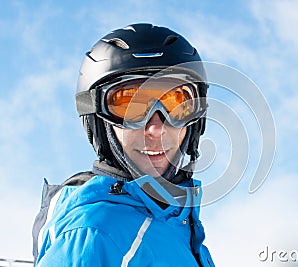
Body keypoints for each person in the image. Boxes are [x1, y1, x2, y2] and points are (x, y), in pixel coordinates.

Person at [32, 23, 214, 267]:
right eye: (130, 107)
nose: (156, 129)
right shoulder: (92, 235)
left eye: (176, 102)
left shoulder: (177, 223)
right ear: (99, 121)